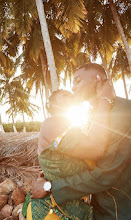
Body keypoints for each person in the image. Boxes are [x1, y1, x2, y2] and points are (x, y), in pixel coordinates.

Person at [31, 63, 131, 220]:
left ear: (98, 79)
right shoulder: (96, 115)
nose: (73, 88)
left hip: (125, 209)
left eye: (77, 80)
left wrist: (50, 187)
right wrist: (47, 175)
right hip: (102, 205)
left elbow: (105, 174)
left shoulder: (123, 112)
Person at [26, 89, 97, 220]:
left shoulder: (74, 126)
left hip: (66, 204)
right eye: (64, 95)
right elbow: (94, 150)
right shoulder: (52, 123)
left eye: (69, 93)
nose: (70, 94)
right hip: (50, 210)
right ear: (54, 104)